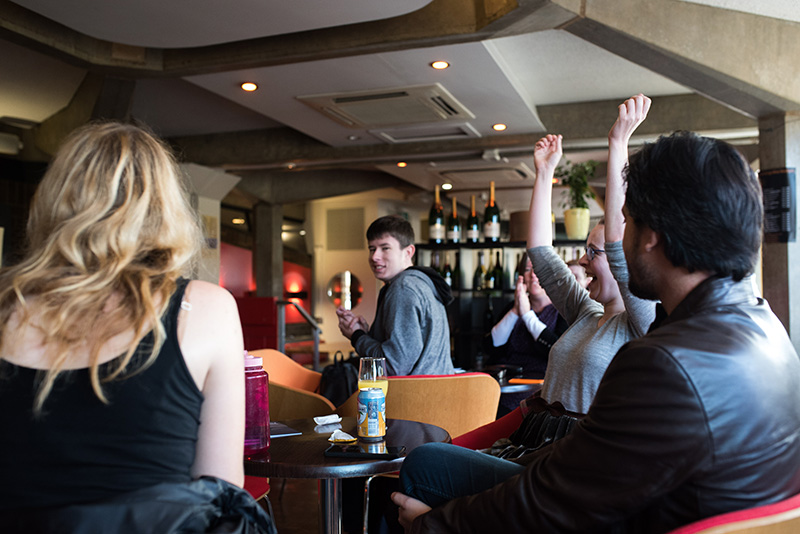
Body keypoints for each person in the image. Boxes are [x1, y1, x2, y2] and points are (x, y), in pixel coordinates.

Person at [393, 127, 800, 533]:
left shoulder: (663, 361)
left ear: (650, 237)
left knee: (425, 469)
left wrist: (435, 525)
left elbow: (557, 500)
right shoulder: (768, 330)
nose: (613, 245)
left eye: (625, 223)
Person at [0, 122, 274, 532]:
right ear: (167, 207)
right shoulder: (205, 308)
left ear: (54, 201)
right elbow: (220, 491)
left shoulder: (7, 307)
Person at [337, 215, 454, 376]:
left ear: (408, 252)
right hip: (437, 396)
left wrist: (357, 336)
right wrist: (365, 333)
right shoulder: (422, 283)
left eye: (385, 248)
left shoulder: (403, 288)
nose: (374, 256)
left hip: (415, 398)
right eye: (372, 249)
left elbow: (393, 366)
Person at [482, 254, 567, 414]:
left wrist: (527, 315)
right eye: (528, 269)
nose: (533, 274)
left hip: (542, 392)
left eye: (538, 269)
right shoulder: (510, 308)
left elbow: (555, 349)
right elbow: (491, 346)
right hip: (504, 387)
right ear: (522, 277)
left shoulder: (563, 311)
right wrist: (516, 310)